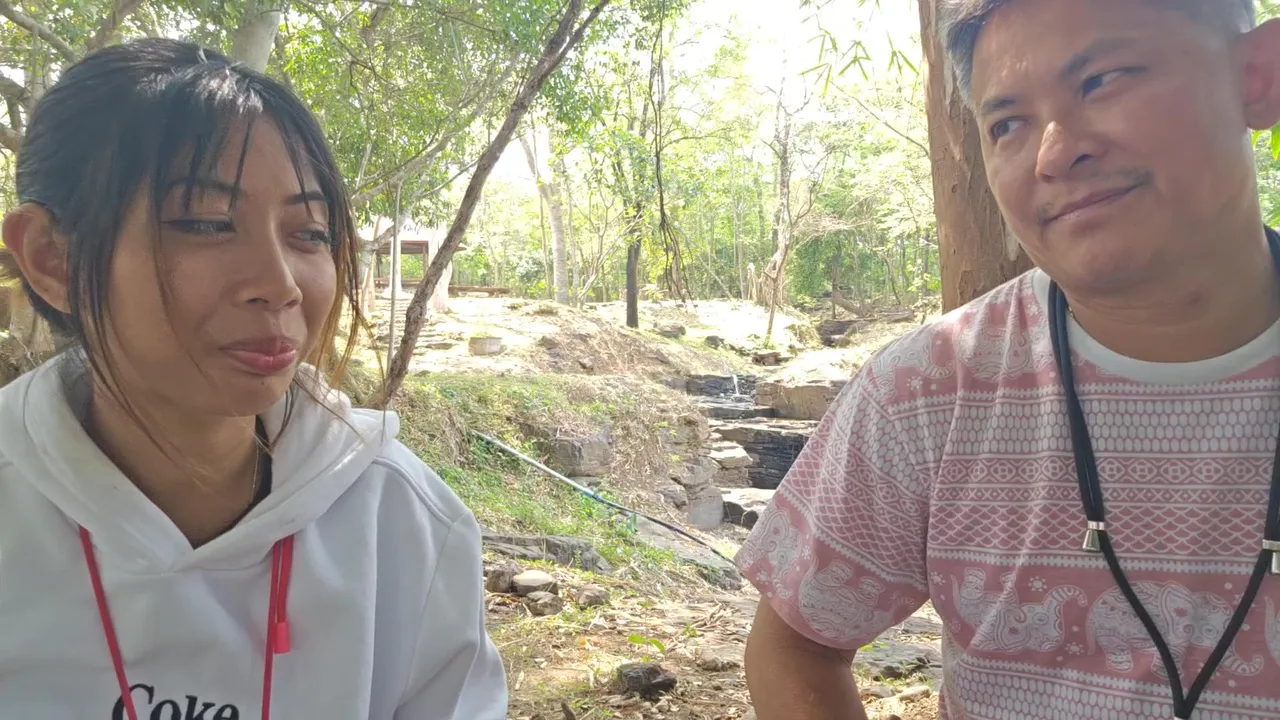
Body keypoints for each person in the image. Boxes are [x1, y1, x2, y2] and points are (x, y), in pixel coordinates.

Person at [737, 1, 1280, 718]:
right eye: (1008, 124)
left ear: (1257, 77)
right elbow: (794, 645)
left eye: (1102, 80)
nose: (1055, 152)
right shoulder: (928, 387)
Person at [0, 39, 507, 718]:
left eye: (309, 234)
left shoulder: (401, 526)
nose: (279, 284)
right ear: (51, 259)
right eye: (207, 224)